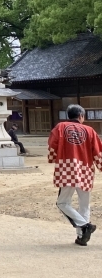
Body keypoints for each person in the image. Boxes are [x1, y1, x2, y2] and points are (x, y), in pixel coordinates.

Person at [49, 104, 102, 246]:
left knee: (62, 202)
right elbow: (98, 151)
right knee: (84, 204)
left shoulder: (60, 127)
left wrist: (53, 158)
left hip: (66, 168)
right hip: (86, 169)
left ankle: (84, 226)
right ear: (81, 116)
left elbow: (52, 145)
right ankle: (81, 237)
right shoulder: (90, 130)